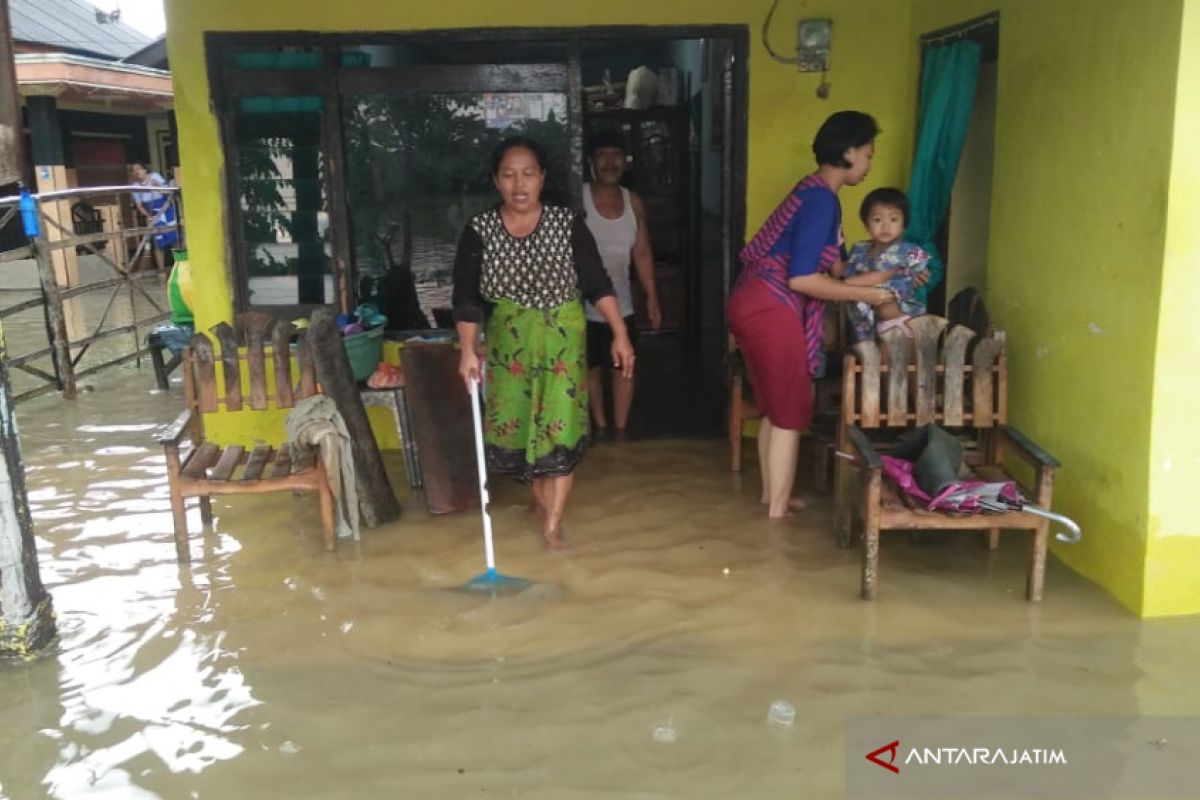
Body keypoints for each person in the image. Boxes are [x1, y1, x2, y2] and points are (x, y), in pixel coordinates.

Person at [452, 136, 635, 547]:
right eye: (509, 175)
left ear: (542, 178)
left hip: (562, 346)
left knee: (559, 429)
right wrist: (467, 350)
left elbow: (598, 283)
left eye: (528, 174)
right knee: (519, 436)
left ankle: (553, 523)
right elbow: (466, 300)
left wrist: (621, 334)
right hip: (509, 350)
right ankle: (539, 499)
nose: (520, 184)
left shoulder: (566, 223)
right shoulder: (478, 230)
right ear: (495, 181)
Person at [726, 111, 894, 520]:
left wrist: (886, 276)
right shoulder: (822, 199)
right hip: (772, 304)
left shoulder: (812, 191)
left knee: (773, 407)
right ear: (849, 152)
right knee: (790, 410)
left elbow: (836, 273)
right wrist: (873, 296)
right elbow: (802, 279)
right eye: (868, 154)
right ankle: (778, 519)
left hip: (750, 300)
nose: (870, 164)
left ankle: (772, 496)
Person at [582, 129, 662, 438]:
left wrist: (652, 296)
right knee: (589, 367)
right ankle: (600, 425)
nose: (610, 162)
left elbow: (641, 253)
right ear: (591, 161)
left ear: (626, 162)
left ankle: (620, 432)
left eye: (616, 155)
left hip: (622, 302)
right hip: (582, 303)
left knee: (623, 367)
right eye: (602, 155)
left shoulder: (634, 203)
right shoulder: (581, 197)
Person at [839, 187, 931, 341]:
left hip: (904, 322)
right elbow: (844, 276)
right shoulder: (860, 250)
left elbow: (849, 282)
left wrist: (922, 273)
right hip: (869, 326)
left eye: (893, 219)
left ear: (904, 224)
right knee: (866, 362)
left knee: (898, 364)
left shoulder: (910, 251)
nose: (886, 226)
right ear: (866, 224)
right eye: (877, 220)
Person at [130, 162, 178, 270]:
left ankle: (178, 266)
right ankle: (161, 270)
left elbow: (168, 193)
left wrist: (158, 187)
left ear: (145, 170)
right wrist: (147, 216)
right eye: (134, 170)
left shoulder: (155, 177)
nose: (137, 172)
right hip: (153, 213)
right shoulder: (135, 187)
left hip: (166, 209)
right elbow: (139, 205)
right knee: (158, 242)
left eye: (139, 169)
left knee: (174, 238)